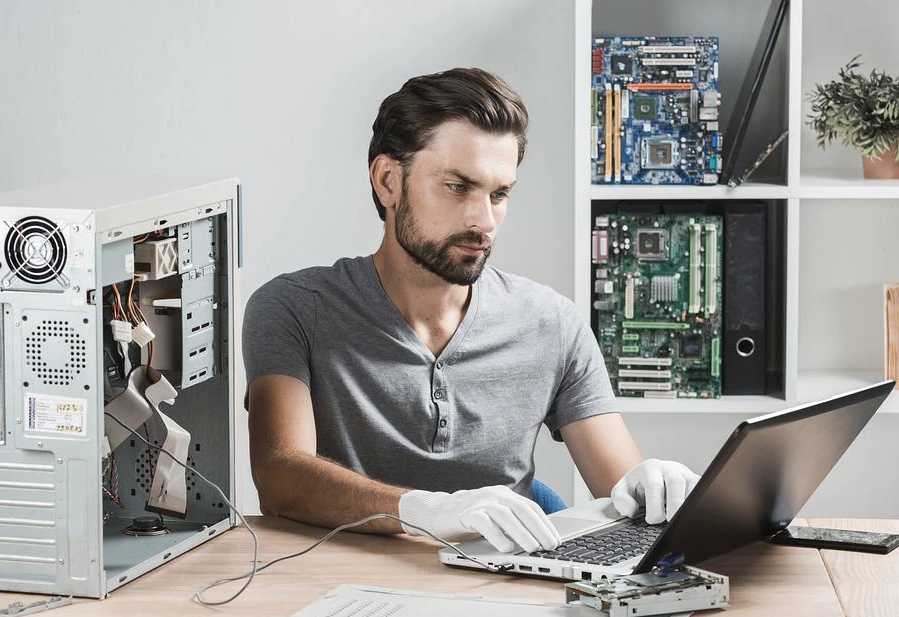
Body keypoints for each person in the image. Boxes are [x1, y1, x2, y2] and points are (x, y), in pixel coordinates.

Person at [242, 67, 699, 554]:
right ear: (388, 181)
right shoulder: (293, 309)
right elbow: (279, 476)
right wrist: (425, 510)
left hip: (507, 588)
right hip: (343, 585)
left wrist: (649, 484)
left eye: (499, 194)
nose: (484, 222)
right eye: (458, 187)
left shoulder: (551, 323)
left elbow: (619, 488)